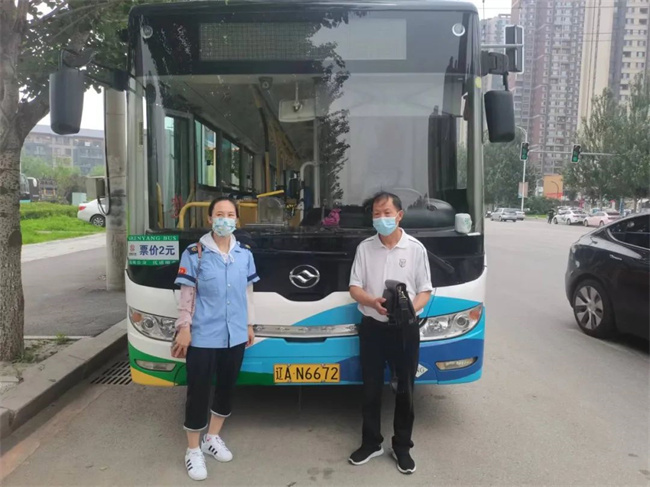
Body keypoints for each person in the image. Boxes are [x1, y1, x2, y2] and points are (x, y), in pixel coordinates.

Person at [173, 196, 260, 481]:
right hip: (202, 335)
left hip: (235, 334)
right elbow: (187, 295)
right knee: (198, 391)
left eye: (230, 214)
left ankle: (212, 438)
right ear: (210, 219)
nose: (225, 219)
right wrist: (184, 328)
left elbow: (247, 293)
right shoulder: (195, 253)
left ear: (237, 219)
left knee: (226, 387)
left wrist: (248, 325)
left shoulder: (244, 254)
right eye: (219, 214)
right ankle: (193, 450)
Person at [348, 192, 433, 475]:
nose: (381, 218)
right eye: (376, 213)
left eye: (386, 213)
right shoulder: (365, 248)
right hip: (372, 327)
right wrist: (372, 301)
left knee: (405, 389)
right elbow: (354, 288)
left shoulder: (415, 249)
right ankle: (371, 442)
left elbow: (425, 290)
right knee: (370, 388)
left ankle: (402, 447)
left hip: (405, 330)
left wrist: (408, 311)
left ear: (399, 215)